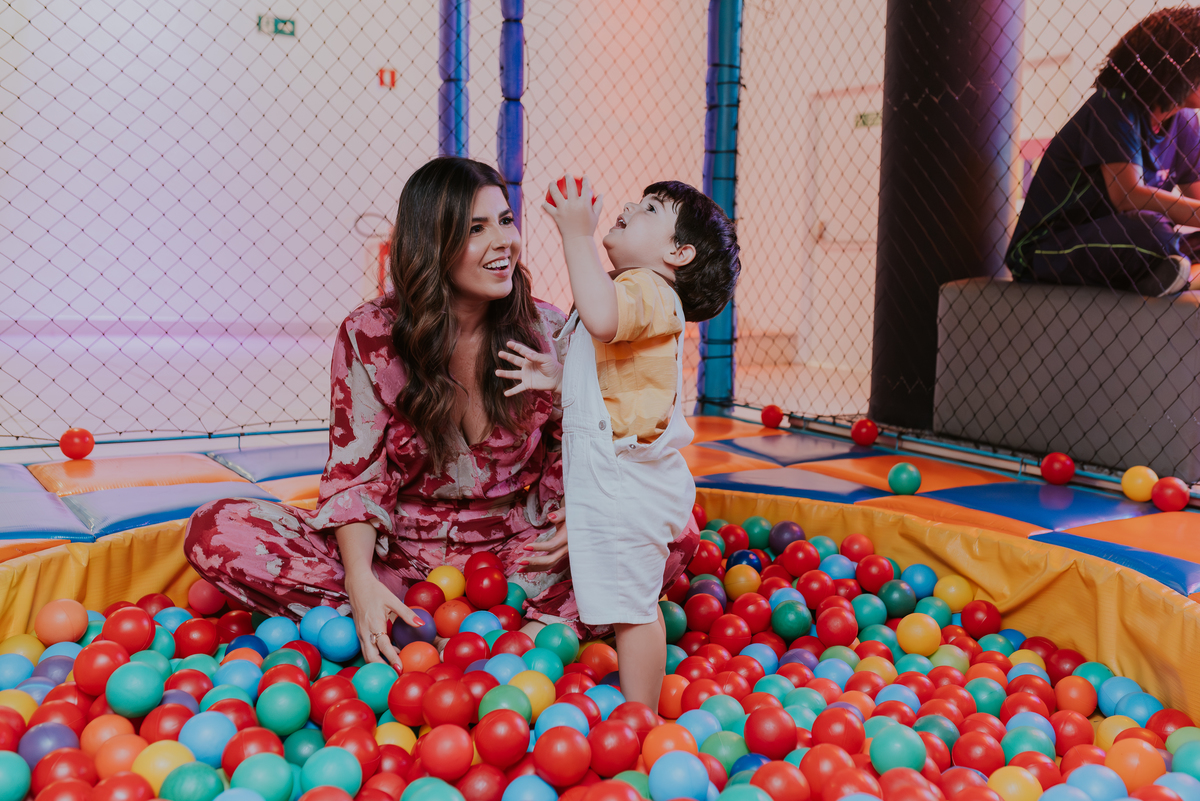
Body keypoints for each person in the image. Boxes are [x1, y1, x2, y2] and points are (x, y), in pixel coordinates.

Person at [184, 158, 698, 667]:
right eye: (477, 229)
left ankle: (450, 638)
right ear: (432, 244)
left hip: (520, 555)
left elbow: (582, 436)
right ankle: (454, 628)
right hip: (398, 554)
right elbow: (355, 477)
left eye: (505, 221)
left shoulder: (547, 326)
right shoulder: (369, 335)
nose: (504, 242)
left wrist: (582, 519)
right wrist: (362, 583)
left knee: (675, 532)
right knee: (217, 530)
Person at [498, 175, 739, 708]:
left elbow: (603, 317)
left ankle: (641, 715)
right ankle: (637, 708)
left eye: (650, 208)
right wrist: (559, 378)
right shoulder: (636, 294)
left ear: (678, 253)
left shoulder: (650, 291)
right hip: (612, 478)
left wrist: (576, 234)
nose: (630, 205)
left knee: (634, 611)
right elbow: (616, 386)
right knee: (621, 601)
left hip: (630, 482)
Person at [1005, 7, 1200, 296]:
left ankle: (1168, 271)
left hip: (1119, 239)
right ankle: (1169, 270)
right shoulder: (1115, 106)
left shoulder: (1184, 123)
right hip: (1049, 246)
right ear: (1179, 67)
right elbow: (1127, 195)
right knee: (1153, 231)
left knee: (1160, 233)